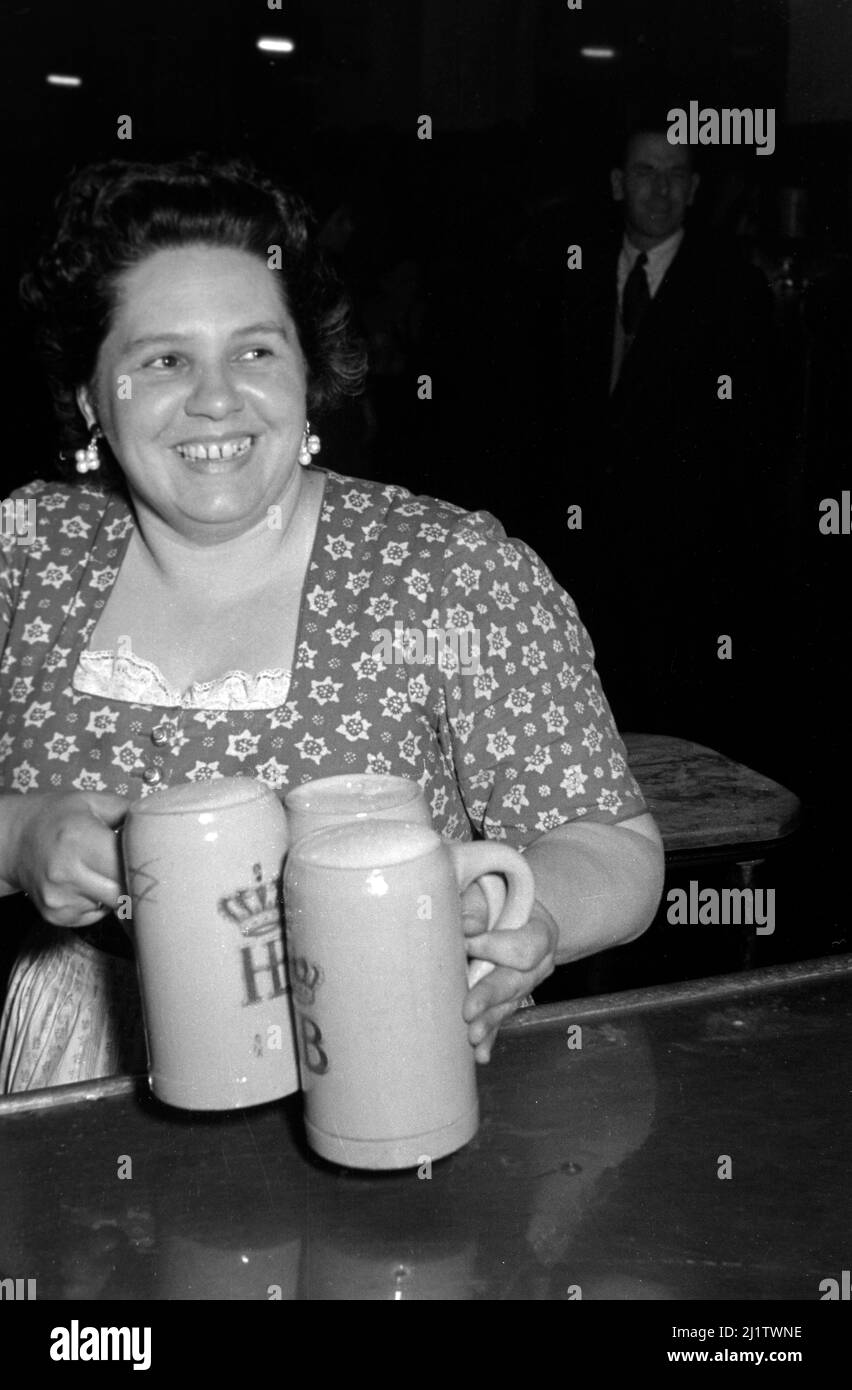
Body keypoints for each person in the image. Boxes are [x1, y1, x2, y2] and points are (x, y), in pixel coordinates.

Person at [0, 155, 664, 1093]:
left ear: (309, 376)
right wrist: (18, 836)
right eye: (162, 360)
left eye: (256, 350)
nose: (217, 396)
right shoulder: (24, 552)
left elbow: (615, 845)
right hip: (78, 1064)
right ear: (89, 395)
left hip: (379, 1040)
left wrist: (522, 914)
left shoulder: (446, 570)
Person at [550, 122, 779, 756]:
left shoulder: (733, 288)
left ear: (696, 188)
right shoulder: (572, 275)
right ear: (619, 183)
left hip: (680, 564)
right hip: (583, 555)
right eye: (647, 172)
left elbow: (747, 440)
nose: (661, 189)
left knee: (669, 733)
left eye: (676, 174)